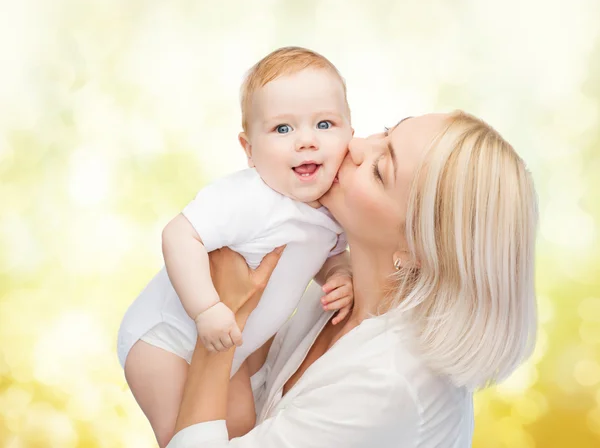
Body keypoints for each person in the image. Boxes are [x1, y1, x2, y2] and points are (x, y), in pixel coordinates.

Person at [166, 110, 539, 447]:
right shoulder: (341, 291)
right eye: (385, 133)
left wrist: (222, 321)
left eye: (380, 170)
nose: (355, 145)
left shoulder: (388, 384)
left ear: (416, 251)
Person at [117, 47, 357, 447]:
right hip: (164, 340)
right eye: (283, 129)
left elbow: (328, 253)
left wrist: (339, 274)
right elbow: (179, 235)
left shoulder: (333, 208)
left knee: (243, 429)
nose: (306, 141)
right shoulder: (248, 198)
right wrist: (207, 308)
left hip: (231, 350)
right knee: (182, 432)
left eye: (325, 123)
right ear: (249, 150)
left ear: (350, 131)